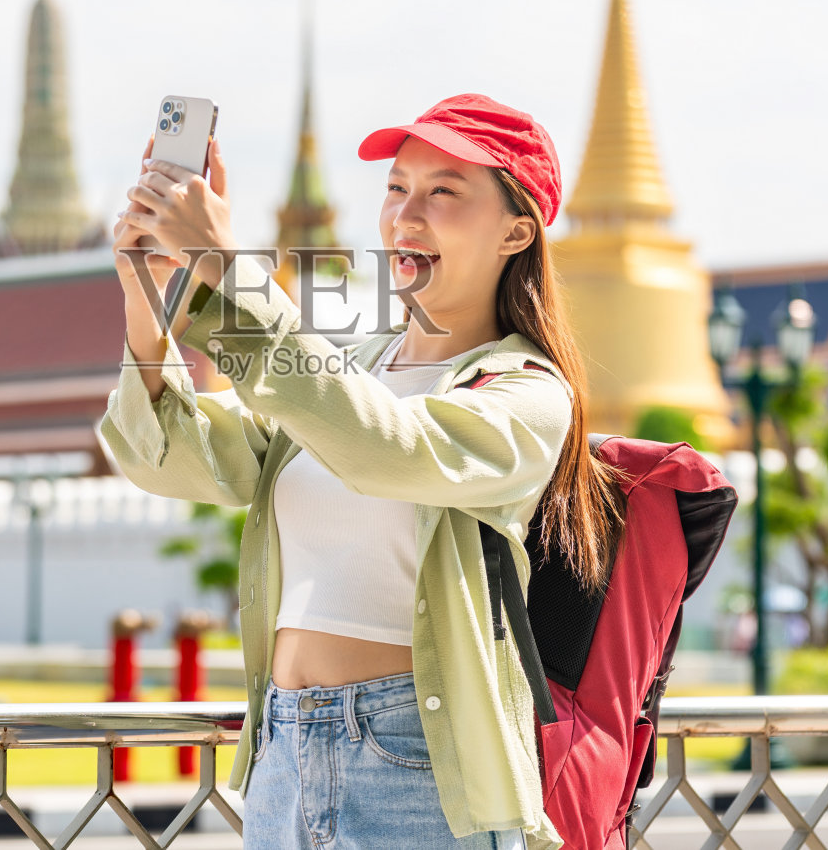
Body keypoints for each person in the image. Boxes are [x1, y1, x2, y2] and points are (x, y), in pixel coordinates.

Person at [99, 93, 622, 850]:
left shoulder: (527, 392)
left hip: (418, 764)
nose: (407, 214)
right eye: (396, 188)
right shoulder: (352, 367)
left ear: (517, 230)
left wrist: (228, 269)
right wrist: (148, 302)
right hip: (283, 750)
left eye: (443, 190)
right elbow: (175, 455)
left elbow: (385, 448)